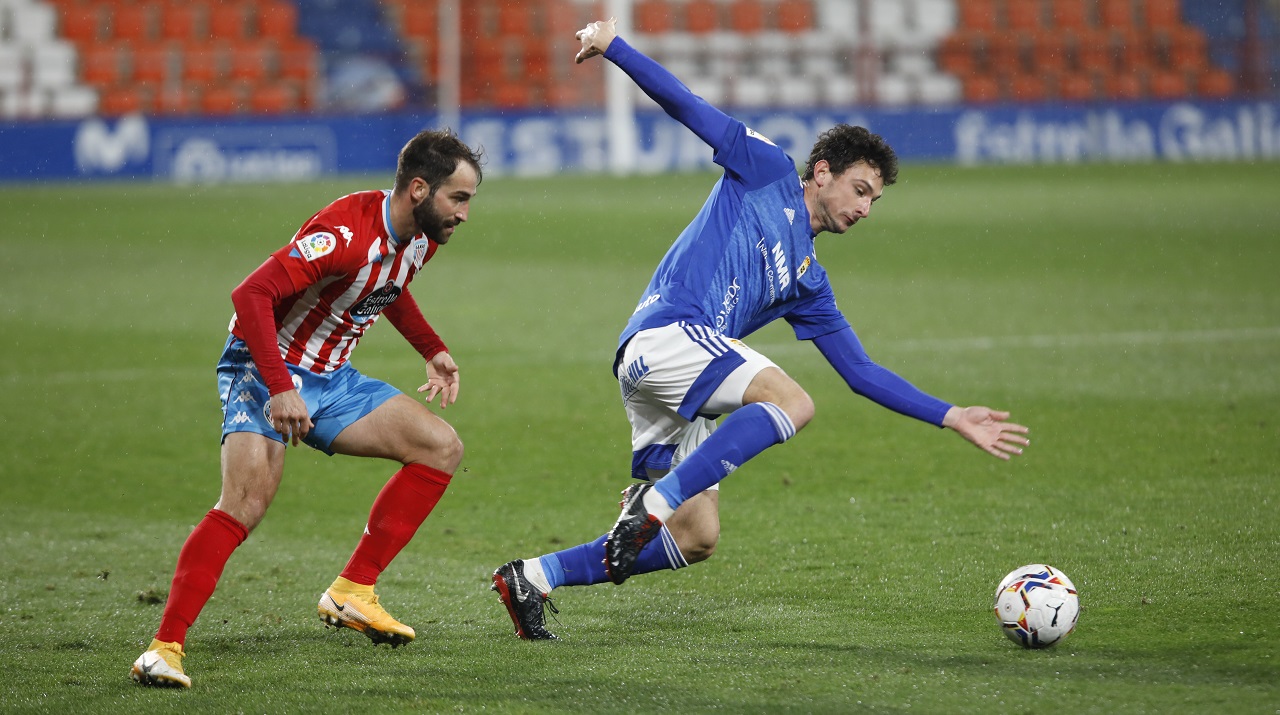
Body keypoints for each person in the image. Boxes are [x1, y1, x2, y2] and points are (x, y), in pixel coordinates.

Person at [490, 19, 1030, 641]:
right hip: (668, 334)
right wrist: (615, 48)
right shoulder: (767, 168)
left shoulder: (809, 281)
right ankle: (651, 503)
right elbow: (690, 108)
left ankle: (533, 576)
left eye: (874, 202)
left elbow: (860, 372)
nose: (863, 208)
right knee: (791, 402)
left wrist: (951, 414)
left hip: (670, 372)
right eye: (859, 189)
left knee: (698, 538)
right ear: (821, 172)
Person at [130, 129, 483, 687]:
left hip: (331, 377)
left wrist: (431, 348)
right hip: (261, 366)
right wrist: (279, 387)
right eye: (458, 198)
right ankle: (163, 648)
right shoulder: (345, 231)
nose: (465, 212)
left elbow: (386, 286)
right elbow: (250, 296)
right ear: (419, 189)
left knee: (441, 447)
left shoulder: (421, 237)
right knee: (244, 502)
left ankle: (352, 591)